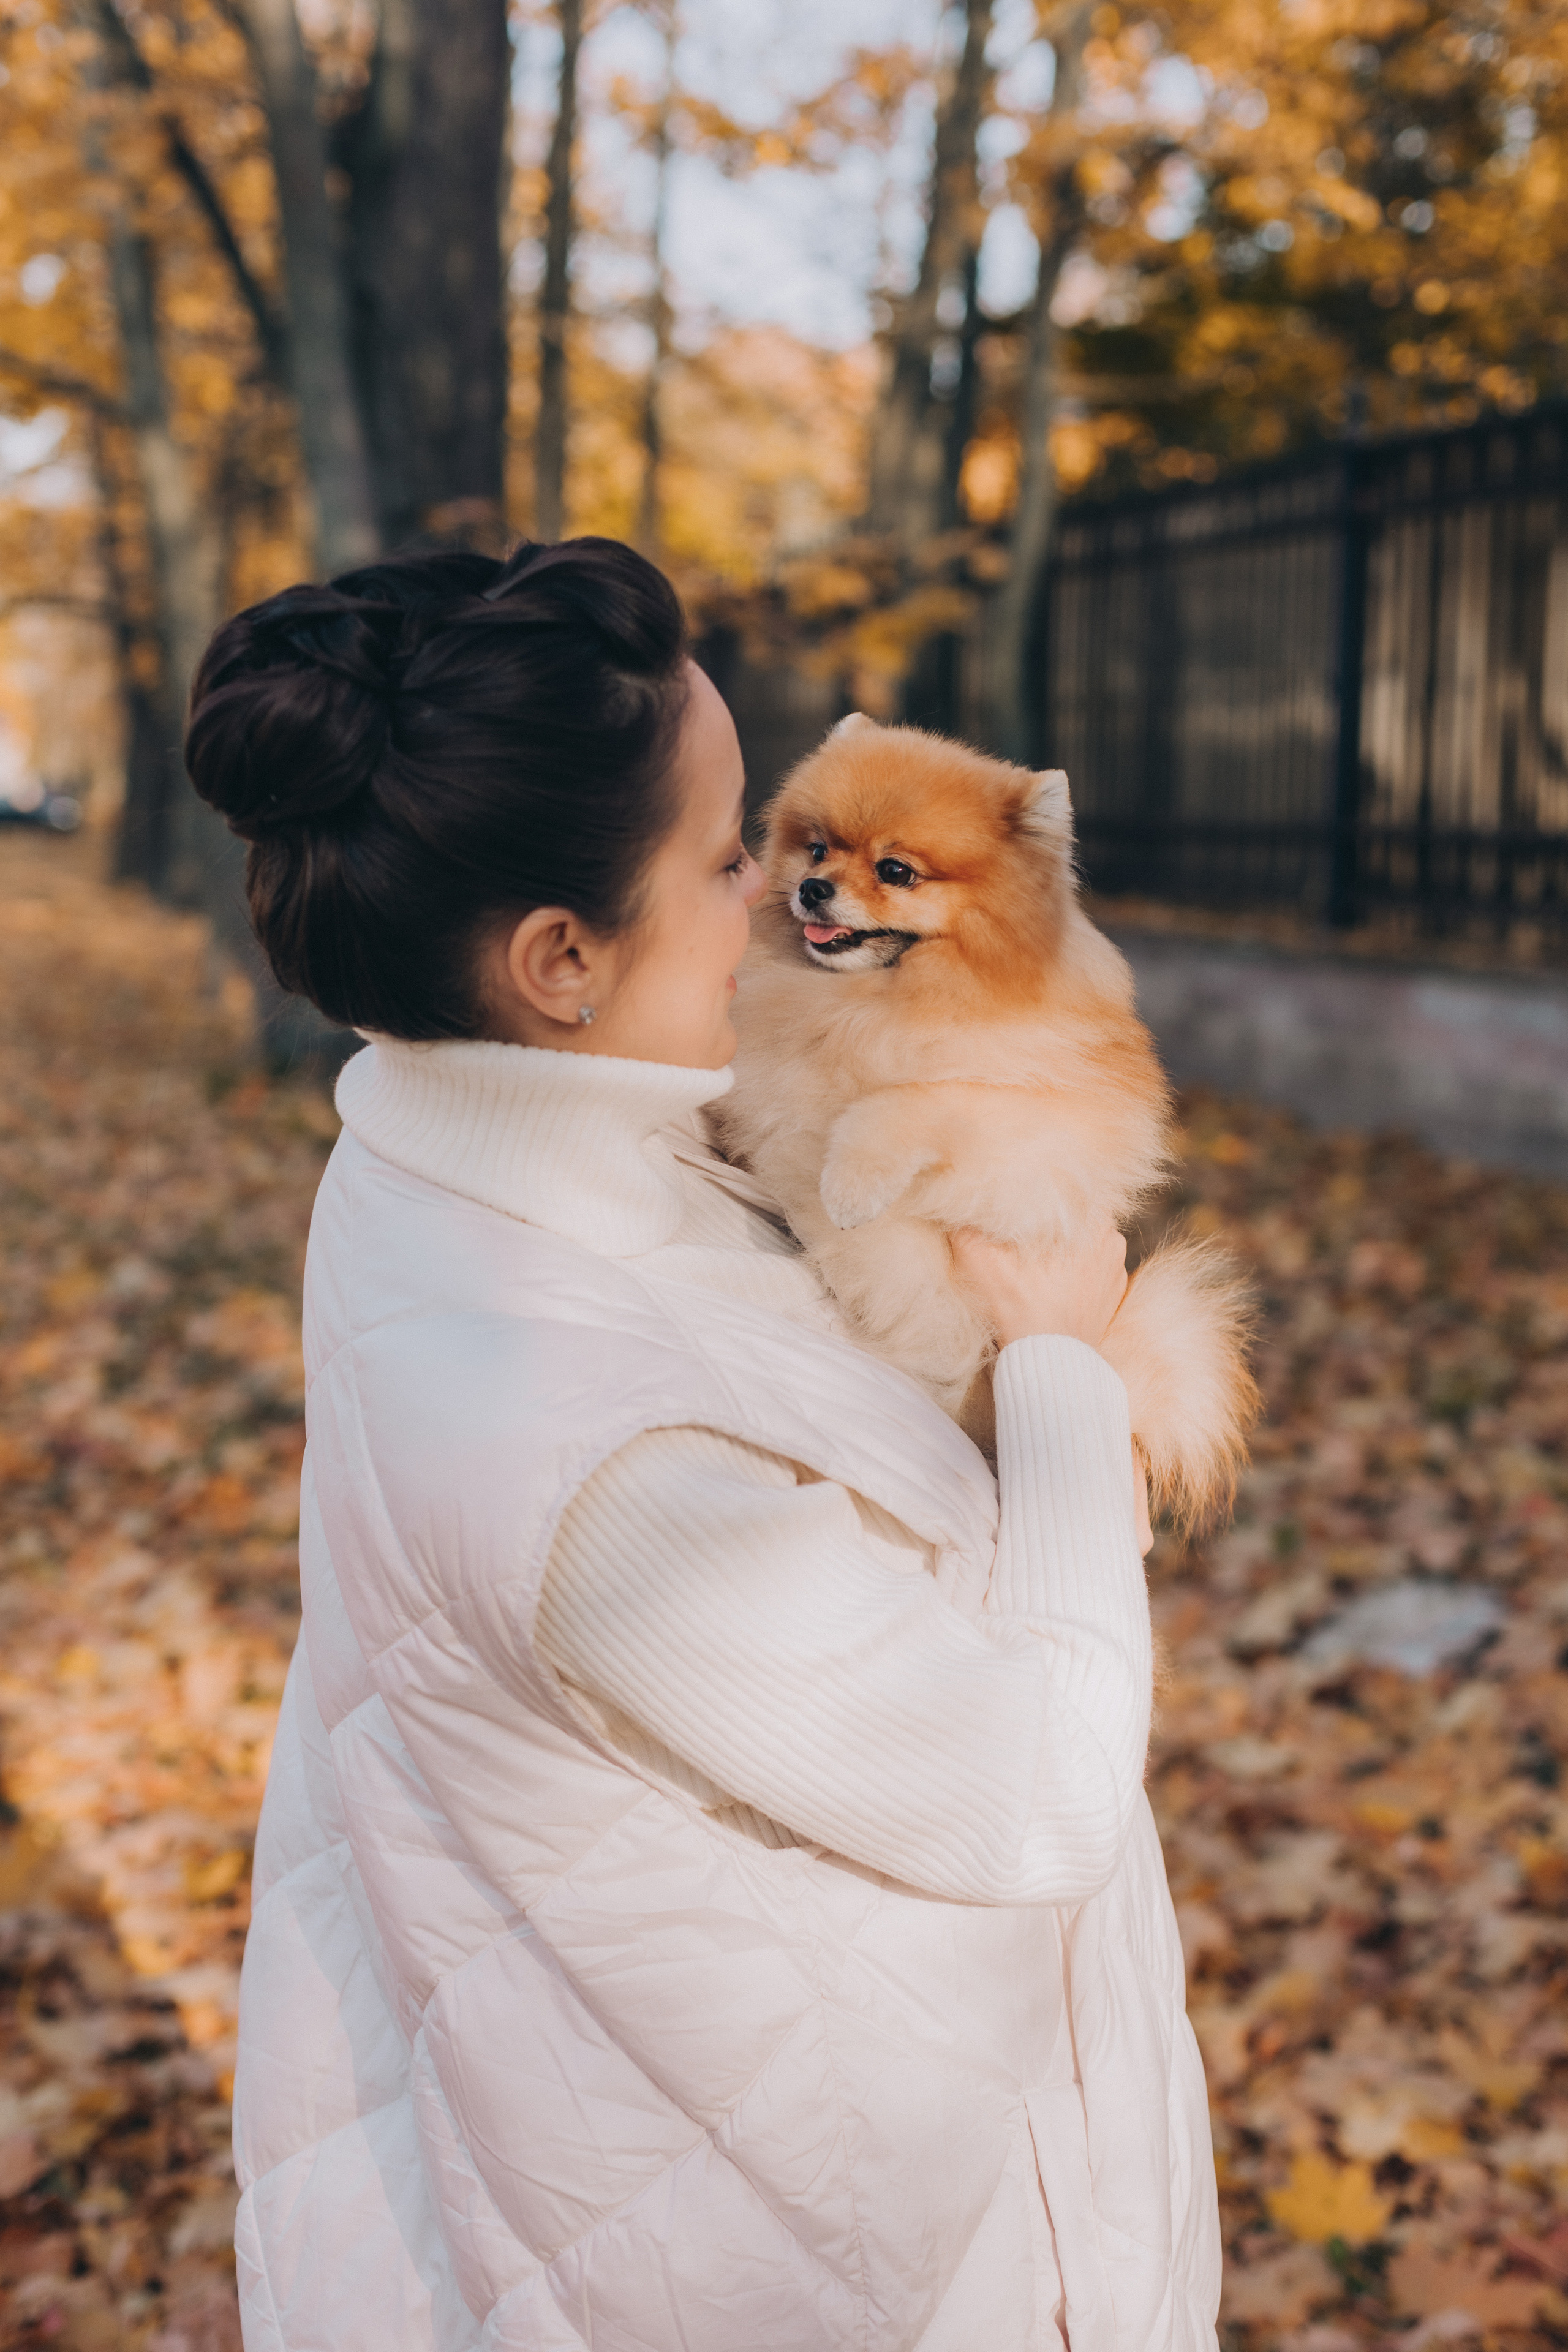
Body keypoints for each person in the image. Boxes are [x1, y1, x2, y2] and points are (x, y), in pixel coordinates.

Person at [187, 537, 1221, 2352]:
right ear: (561, 958)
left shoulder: (461, 1141)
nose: (782, 893)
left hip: (679, 2153)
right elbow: (1037, 1796)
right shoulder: (598, 1459)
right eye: (737, 849)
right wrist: (1061, 1372)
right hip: (804, 2262)